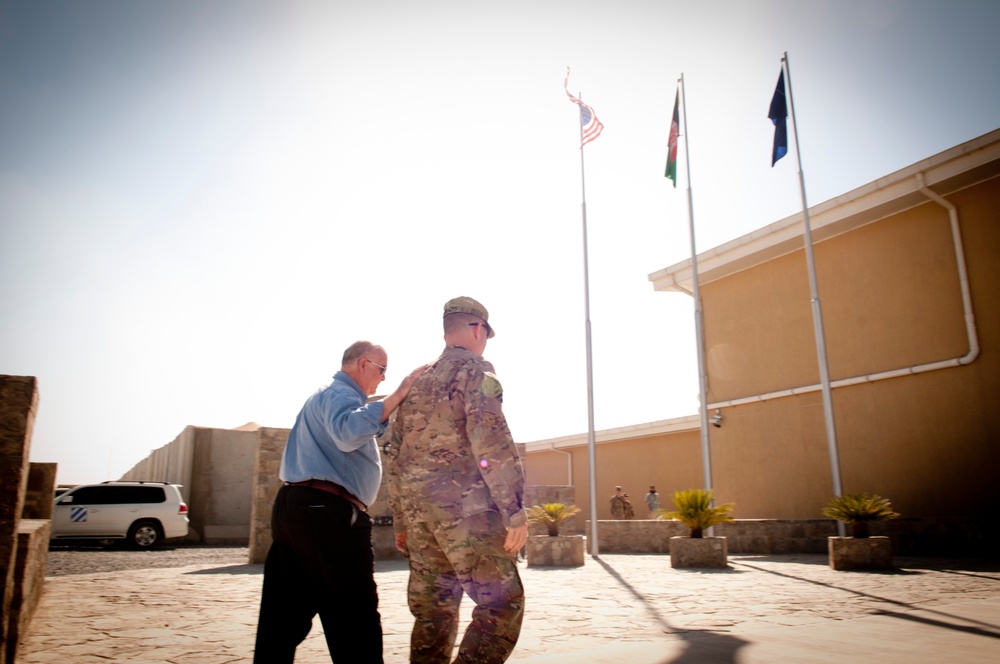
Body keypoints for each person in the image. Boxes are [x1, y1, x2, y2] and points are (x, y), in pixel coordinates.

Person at [254, 340, 426, 663]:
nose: (384, 378)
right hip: (326, 514)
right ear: (362, 364)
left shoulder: (324, 396)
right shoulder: (341, 394)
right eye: (382, 370)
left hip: (296, 510)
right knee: (355, 617)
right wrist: (401, 392)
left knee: (282, 616)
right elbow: (348, 432)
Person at [386, 296, 527, 664]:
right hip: (467, 513)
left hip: (420, 519)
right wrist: (513, 510)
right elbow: (490, 441)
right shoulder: (476, 372)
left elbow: (395, 455)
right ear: (478, 329)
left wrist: (402, 521)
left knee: (433, 613)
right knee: (501, 606)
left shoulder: (416, 381)